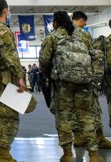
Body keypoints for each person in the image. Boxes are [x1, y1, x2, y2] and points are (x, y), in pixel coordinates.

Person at [40, 11, 103, 162]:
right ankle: (94, 154)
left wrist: (50, 75)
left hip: (63, 84)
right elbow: (95, 55)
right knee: (86, 116)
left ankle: (68, 154)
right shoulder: (83, 35)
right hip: (84, 83)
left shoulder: (52, 38)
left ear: (55, 23)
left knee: (64, 118)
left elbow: (44, 61)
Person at [0, 0, 26, 161]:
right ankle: (3, 154)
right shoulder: (3, 31)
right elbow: (9, 55)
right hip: (4, 79)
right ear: (5, 11)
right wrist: (20, 76)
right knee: (7, 117)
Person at [71, 11, 111, 150]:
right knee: (93, 107)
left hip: (68, 78)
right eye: (84, 22)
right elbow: (92, 54)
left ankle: (78, 136)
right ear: (80, 20)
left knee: (74, 107)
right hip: (85, 76)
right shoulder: (83, 34)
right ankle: (100, 137)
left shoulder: (64, 34)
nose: (85, 24)